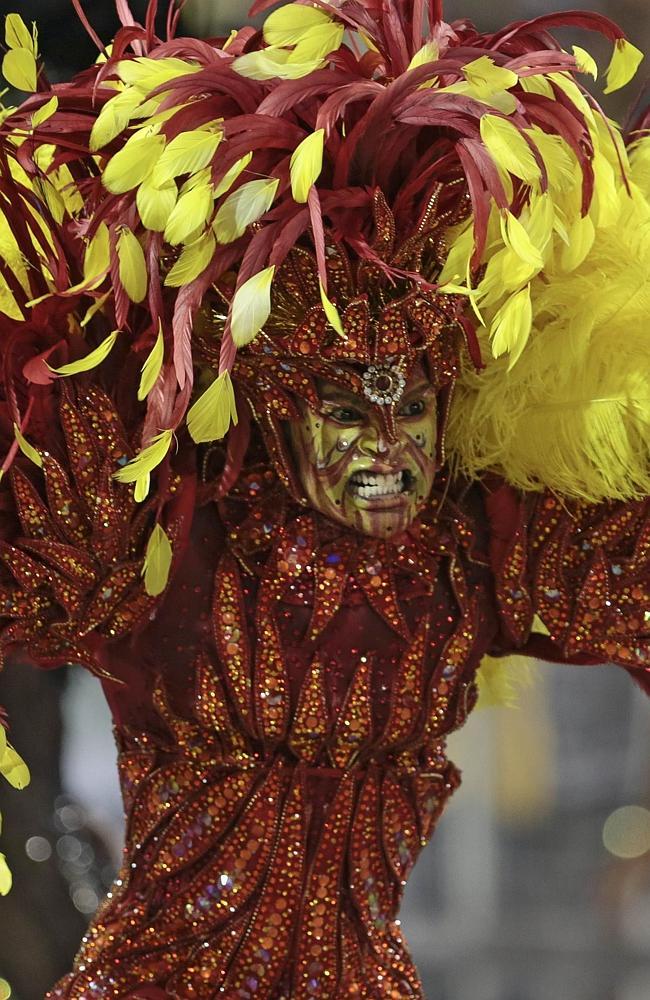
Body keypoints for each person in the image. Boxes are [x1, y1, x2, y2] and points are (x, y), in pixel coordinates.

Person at [0, 1, 648, 996]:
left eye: (413, 407)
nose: (388, 450)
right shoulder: (164, 526)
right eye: (349, 411)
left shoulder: (471, 546)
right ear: (277, 406)